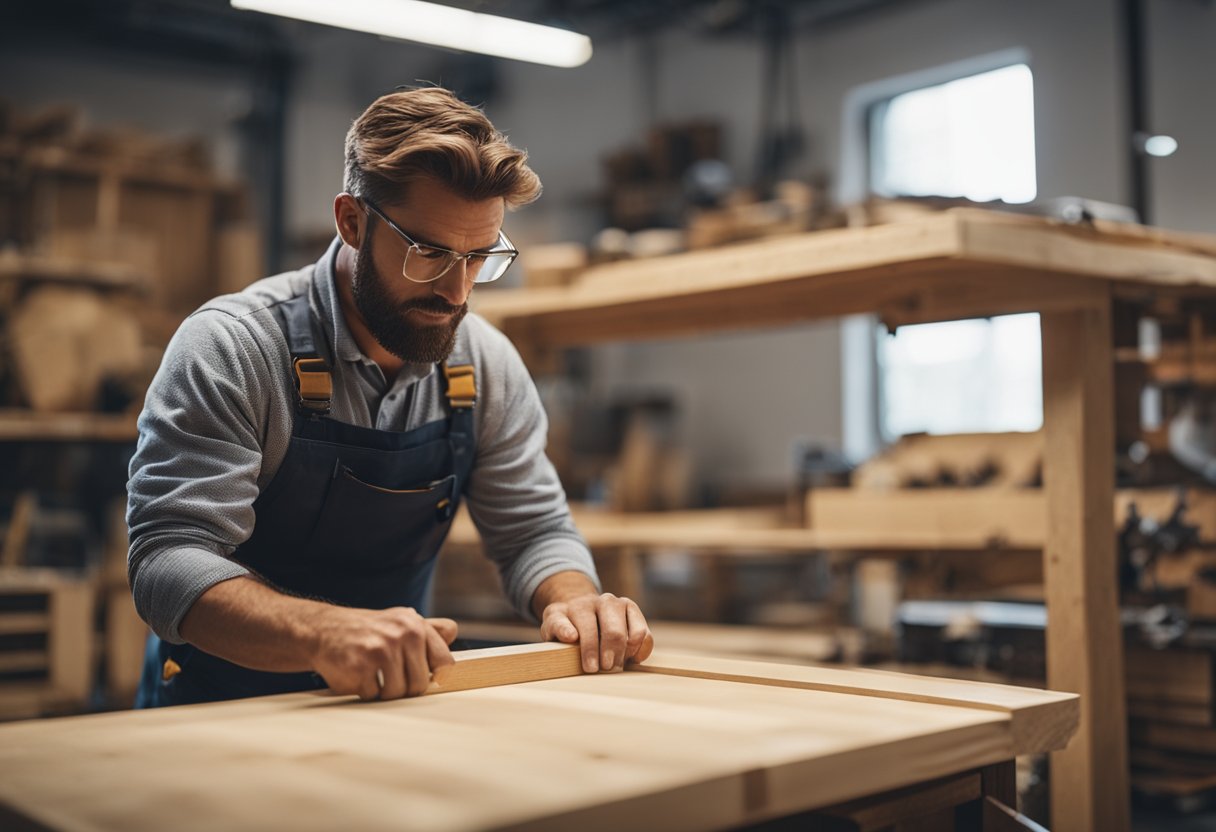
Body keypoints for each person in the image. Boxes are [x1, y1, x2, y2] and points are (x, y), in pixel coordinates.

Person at [127, 86, 654, 707]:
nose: (457, 292)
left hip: (390, 703)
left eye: (480, 257)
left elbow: (533, 530)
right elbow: (168, 560)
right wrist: (323, 632)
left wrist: (577, 603)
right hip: (218, 709)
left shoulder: (483, 364)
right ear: (352, 222)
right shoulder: (234, 348)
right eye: (428, 253)